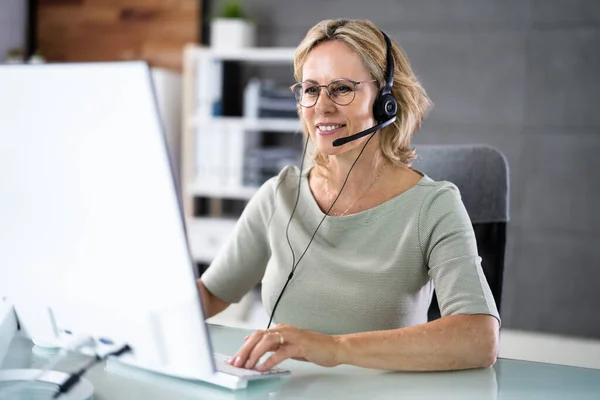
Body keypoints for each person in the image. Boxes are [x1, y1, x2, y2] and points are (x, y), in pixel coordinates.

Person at [198, 18, 500, 373]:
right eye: (310, 89)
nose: (321, 107)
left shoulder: (433, 205)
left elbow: (479, 337)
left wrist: (334, 347)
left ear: (387, 100)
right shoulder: (280, 194)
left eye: (341, 89)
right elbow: (211, 294)